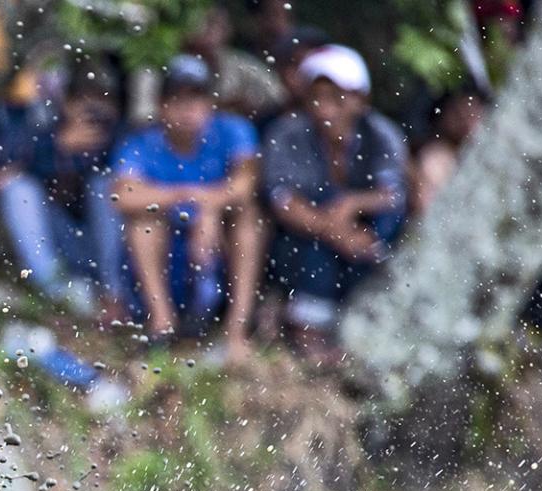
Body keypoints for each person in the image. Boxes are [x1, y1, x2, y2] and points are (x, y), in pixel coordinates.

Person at [111, 55, 263, 360]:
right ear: (162, 105)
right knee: (144, 221)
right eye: (178, 100)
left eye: (196, 98)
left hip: (217, 252)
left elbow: (245, 186)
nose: (187, 110)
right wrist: (186, 197)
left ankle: (237, 329)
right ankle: (161, 321)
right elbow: (122, 195)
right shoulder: (142, 142)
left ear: (210, 103)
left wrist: (209, 210)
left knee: (249, 219)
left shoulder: (234, 131)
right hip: (171, 256)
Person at [261, 45, 408, 358]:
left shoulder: (381, 134)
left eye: (337, 98)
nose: (326, 109)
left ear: (359, 99)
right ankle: (308, 331)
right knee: (309, 239)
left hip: (367, 236)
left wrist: (353, 204)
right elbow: (282, 199)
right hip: (308, 239)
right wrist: (333, 230)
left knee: (387, 224)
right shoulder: (289, 133)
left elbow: (393, 193)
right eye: (318, 97)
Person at [0, 77, 124, 316]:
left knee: (105, 184)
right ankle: (56, 295)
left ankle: (114, 296)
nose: (94, 110)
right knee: (17, 189)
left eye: (102, 100)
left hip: (112, 254)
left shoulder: (121, 136)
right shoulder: (46, 132)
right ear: (67, 103)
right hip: (60, 241)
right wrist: (57, 147)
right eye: (84, 101)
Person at [412, 87, 488, 213]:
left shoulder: (483, 156)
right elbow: (426, 205)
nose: (465, 121)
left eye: (472, 115)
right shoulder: (436, 155)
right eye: (459, 114)